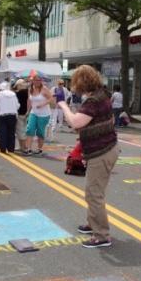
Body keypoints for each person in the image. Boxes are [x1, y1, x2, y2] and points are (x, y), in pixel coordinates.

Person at [57, 65, 118, 248]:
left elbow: (76, 121)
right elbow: (106, 121)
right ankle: (92, 223)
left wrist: (63, 106)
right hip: (106, 149)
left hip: (102, 152)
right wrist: (90, 132)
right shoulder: (102, 96)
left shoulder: (93, 101)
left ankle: (102, 236)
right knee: (95, 191)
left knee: (93, 193)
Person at [23, 76, 52, 155]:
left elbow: (50, 98)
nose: (37, 82)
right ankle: (29, 148)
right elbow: (29, 100)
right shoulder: (30, 89)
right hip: (34, 112)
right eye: (35, 80)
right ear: (33, 81)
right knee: (30, 129)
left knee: (40, 131)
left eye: (39, 80)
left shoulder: (44, 89)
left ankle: (39, 148)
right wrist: (28, 111)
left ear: (41, 81)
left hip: (44, 114)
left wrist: (43, 104)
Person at [0, 81, 19, 153]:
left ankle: (3, 148)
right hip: (12, 115)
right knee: (11, 133)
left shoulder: (0, 94)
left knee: (3, 133)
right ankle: (11, 148)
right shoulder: (13, 94)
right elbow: (17, 105)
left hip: (2, 116)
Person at [14, 79, 29, 152]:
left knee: (20, 130)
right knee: (25, 129)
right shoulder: (29, 91)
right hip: (27, 113)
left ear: (20, 85)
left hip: (20, 113)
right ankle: (25, 145)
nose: (17, 88)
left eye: (17, 86)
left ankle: (22, 146)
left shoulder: (19, 93)